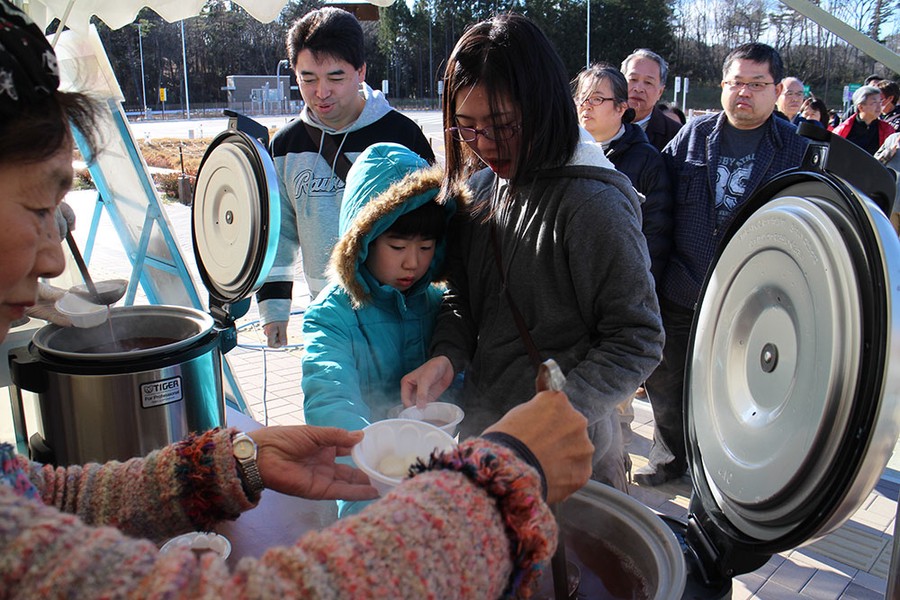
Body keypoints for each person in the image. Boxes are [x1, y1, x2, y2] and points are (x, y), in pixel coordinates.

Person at [0, 4, 595, 596]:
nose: (56, 259)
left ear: (362, 72)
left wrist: (223, 467)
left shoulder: (425, 187)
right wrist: (495, 492)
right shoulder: (291, 155)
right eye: (39, 209)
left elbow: (43, 495)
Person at [401, 14, 665, 491]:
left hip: (569, 456)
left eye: (502, 124)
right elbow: (464, 301)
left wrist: (557, 413)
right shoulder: (481, 188)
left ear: (544, 105)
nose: (484, 144)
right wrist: (447, 357)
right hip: (487, 437)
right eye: (466, 128)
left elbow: (637, 338)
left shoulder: (592, 202)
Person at [636, 42, 809, 487]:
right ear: (722, 87)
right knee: (667, 378)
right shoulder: (693, 136)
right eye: (736, 83)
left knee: (732, 388)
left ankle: (721, 468)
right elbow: (656, 200)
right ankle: (669, 457)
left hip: (750, 297)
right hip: (683, 287)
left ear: (775, 90)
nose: (744, 93)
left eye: (757, 84)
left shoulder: (795, 149)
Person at [256, 7, 436, 349]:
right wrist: (274, 309)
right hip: (327, 313)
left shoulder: (402, 135)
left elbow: (432, 226)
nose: (321, 91)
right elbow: (278, 232)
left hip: (399, 317)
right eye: (308, 78)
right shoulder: (285, 145)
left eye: (335, 78)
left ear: (361, 72)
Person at [301, 142, 457, 516]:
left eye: (426, 246)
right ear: (363, 241)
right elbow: (330, 398)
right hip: (364, 489)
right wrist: (371, 480)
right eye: (398, 244)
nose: (413, 262)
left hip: (436, 483)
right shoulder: (331, 315)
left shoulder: (437, 303)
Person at [573, 63, 673, 445]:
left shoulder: (644, 161)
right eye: (582, 97)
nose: (587, 106)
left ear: (621, 108)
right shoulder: (564, 150)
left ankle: (616, 490)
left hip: (617, 306)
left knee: (613, 419)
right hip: (573, 308)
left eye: (598, 98)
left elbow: (656, 237)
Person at [620, 48, 682, 151]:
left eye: (648, 82)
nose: (638, 89)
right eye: (633, 79)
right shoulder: (599, 122)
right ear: (620, 82)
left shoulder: (675, 135)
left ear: (660, 92)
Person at [833, 85, 894, 155]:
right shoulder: (842, 130)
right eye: (874, 103)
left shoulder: (887, 130)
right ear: (861, 107)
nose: (879, 106)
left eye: (880, 102)